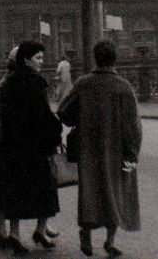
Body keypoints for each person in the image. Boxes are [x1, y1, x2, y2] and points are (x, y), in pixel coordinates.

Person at [57, 40, 141, 258]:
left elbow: (64, 112)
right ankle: (110, 241)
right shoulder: (123, 87)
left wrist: (82, 118)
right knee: (115, 192)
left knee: (90, 190)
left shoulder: (84, 83)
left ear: (95, 58)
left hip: (88, 148)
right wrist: (132, 153)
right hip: (116, 150)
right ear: (115, 59)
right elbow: (133, 125)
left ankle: (85, 231)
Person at [0, 41, 64, 254]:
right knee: (46, 188)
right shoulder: (36, 81)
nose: (41, 62)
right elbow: (43, 115)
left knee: (14, 189)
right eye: (38, 58)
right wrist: (56, 131)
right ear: (26, 60)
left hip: (9, 142)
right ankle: (41, 230)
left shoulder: (6, 82)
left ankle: (14, 234)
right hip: (33, 145)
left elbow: (0, 115)